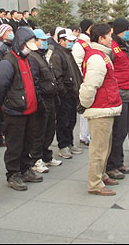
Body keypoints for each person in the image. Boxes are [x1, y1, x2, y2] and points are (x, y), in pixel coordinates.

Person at [0, 27, 43, 191]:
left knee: (27, 142)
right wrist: (5, 105)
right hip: (15, 111)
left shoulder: (26, 59)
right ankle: (13, 174)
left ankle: (25, 168)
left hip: (29, 110)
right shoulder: (8, 62)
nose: (30, 49)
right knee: (14, 145)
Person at [79, 24, 122, 196]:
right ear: (100, 38)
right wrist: (86, 103)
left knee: (105, 145)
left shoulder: (101, 55)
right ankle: (95, 183)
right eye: (108, 36)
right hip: (100, 107)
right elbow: (91, 85)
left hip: (106, 105)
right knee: (98, 148)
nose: (111, 39)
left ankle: (101, 175)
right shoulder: (97, 58)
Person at [28, 29, 62, 173]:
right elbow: (34, 81)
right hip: (42, 98)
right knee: (39, 130)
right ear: (34, 41)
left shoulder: (42, 56)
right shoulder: (32, 57)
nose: (45, 42)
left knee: (49, 129)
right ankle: (36, 159)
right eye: (42, 40)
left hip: (50, 97)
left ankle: (46, 155)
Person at [106, 18, 129, 179]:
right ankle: (111, 165)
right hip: (118, 93)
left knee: (123, 130)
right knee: (117, 131)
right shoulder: (112, 46)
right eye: (127, 30)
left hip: (128, 91)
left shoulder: (124, 45)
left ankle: (119, 161)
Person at [51, 28, 84, 159]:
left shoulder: (68, 53)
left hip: (72, 93)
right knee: (63, 121)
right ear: (61, 41)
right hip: (65, 95)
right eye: (68, 41)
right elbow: (58, 77)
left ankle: (69, 142)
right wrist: (64, 92)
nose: (71, 43)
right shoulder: (57, 55)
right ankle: (63, 145)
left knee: (71, 120)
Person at [72, 19, 94, 147]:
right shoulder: (79, 44)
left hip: (89, 78)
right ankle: (84, 136)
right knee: (85, 108)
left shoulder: (88, 42)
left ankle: (87, 135)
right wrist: (82, 80)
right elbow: (77, 64)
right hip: (84, 80)